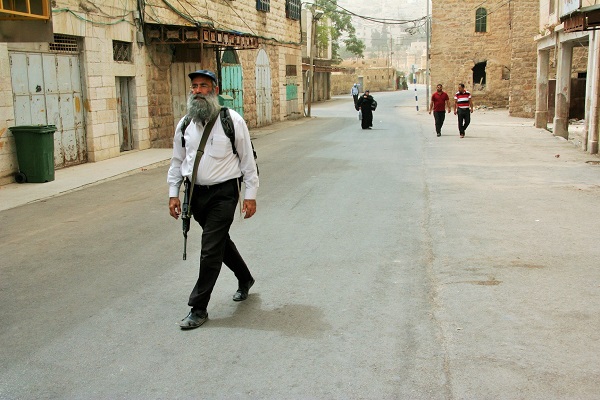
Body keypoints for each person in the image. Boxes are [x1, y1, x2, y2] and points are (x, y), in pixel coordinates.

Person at [167, 69, 259, 330]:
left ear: (214, 91)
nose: (197, 90)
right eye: (194, 86)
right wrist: (173, 193)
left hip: (224, 194)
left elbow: (247, 162)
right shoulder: (185, 124)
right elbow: (177, 162)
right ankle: (245, 277)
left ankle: (198, 307)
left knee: (209, 249)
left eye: (203, 86)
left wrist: (250, 196)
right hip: (196, 195)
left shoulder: (232, 121)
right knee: (219, 242)